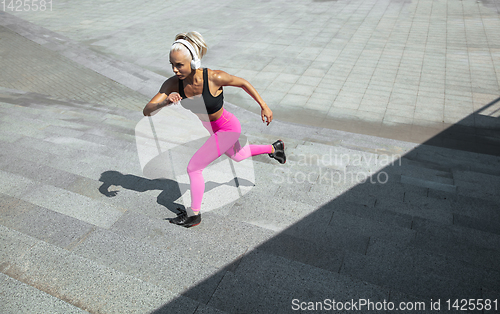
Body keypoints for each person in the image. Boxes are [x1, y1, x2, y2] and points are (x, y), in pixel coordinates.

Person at [143, 31, 285, 228]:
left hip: (228, 127)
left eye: (179, 65)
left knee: (194, 167)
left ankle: (194, 215)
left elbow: (243, 83)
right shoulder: (173, 83)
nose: (175, 70)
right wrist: (165, 102)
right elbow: (147, 110)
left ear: (193, 62)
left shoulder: (214, 78)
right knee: (238, 155)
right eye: (172, 65)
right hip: (214, 130)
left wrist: (264, 106)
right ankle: (274, 148)